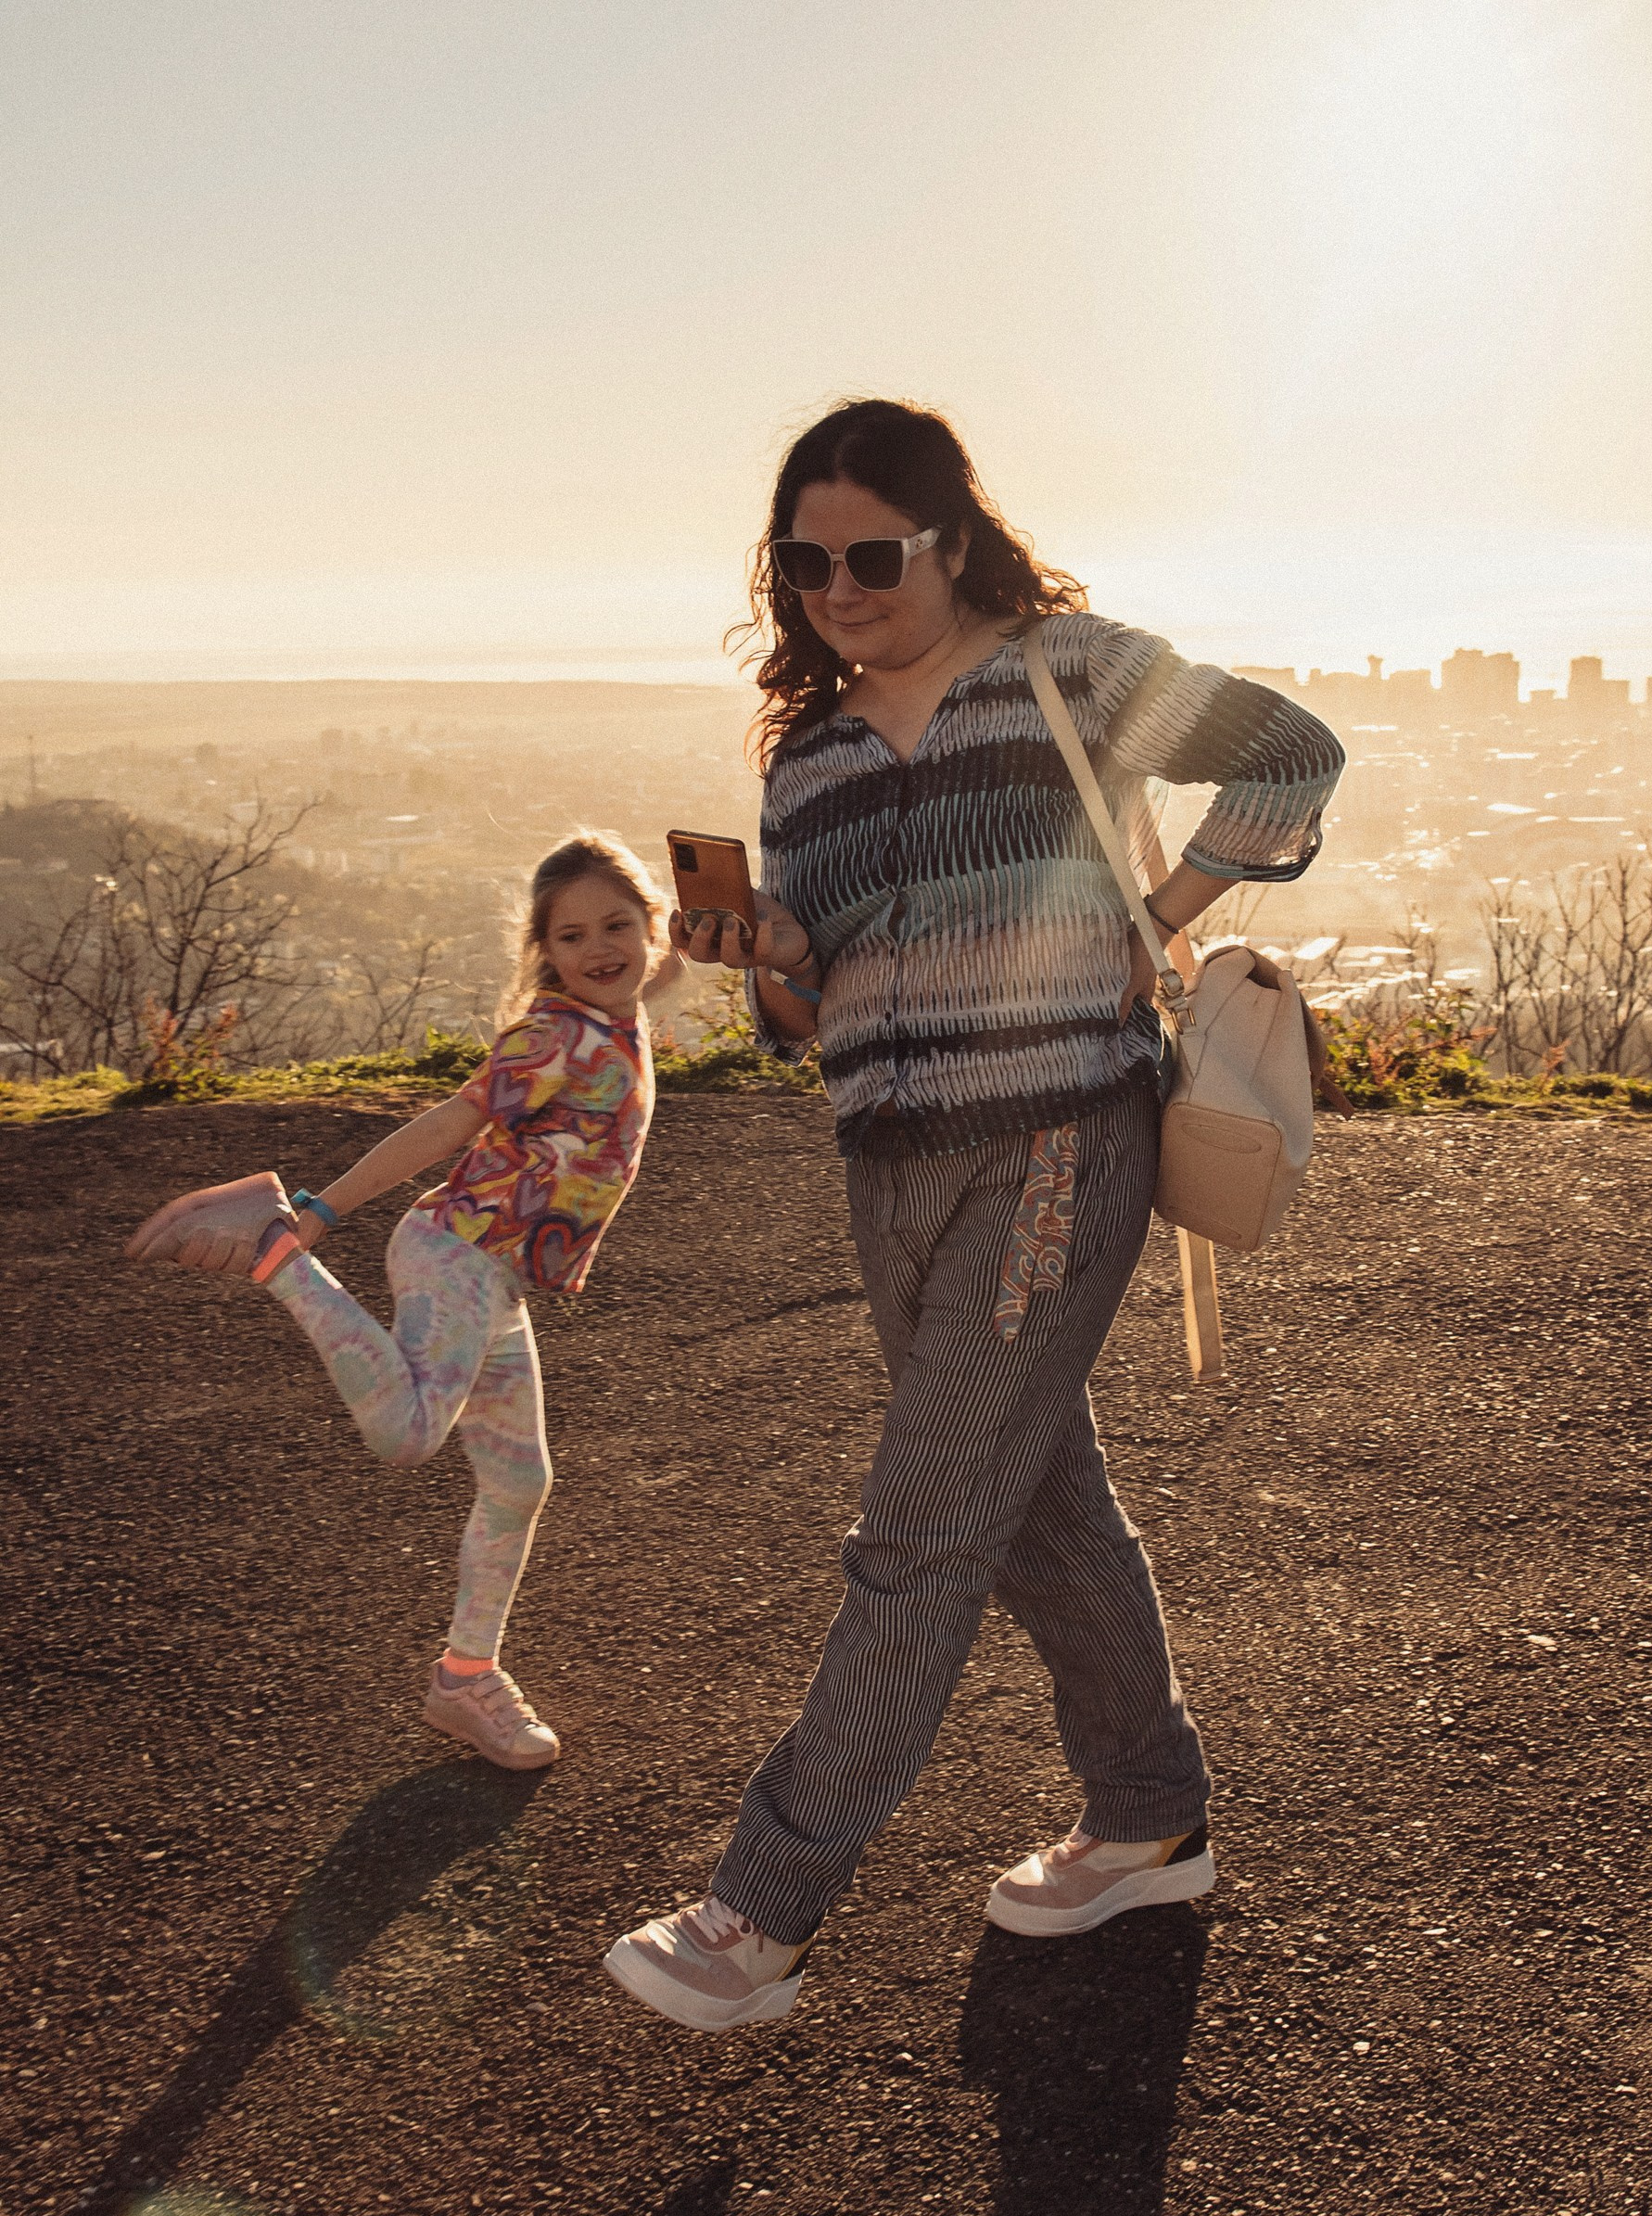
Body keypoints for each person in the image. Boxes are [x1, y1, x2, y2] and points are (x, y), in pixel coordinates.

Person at [604, 399, 1344, 2031]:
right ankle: (1148, 1818)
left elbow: (1295, 754)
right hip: (888, 1167)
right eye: (804, 563)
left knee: (923, 1530)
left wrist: (1159, 912)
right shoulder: (807, 760)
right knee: (1036, 1501)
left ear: (950, 542)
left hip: (1056, 1138)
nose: (838, 590)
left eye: (873, 557)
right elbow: (815, 1004)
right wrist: (769, 958)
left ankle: (759, 1914)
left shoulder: (1072, 673)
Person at [124, 834, 681, 1770]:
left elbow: (662, 971)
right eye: (572, 935)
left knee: (518, 1482)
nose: (599, 948)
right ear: (546, 951)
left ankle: (465, 1679)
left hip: (495, 1278)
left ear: (650, 929)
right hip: (453, 1254)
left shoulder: (617, 1011)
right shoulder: (553, 1036)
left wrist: (719, 933)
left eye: (617, 927)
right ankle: (271, 1251)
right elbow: (449, 1124)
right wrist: (318, 1214)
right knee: (410, 1433)